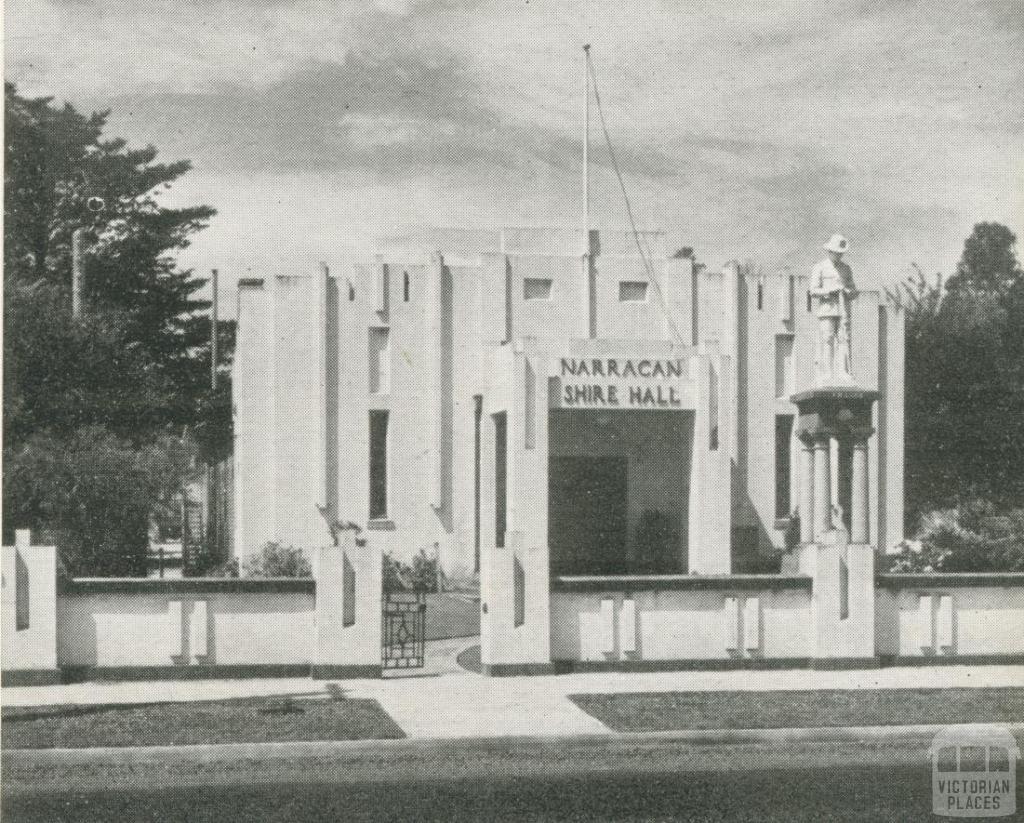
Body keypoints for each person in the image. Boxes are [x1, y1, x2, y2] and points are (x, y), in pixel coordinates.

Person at [810, 234, 857, 381]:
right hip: (827, 309)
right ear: (830, 251)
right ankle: (828, 372)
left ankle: (843, 371)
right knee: (828, 339)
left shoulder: (846, 269)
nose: (839, 255)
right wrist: (829, 291)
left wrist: (847, 291)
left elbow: (853, 290)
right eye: (836, 252)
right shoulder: (820, 267)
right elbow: (813, 290)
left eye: (841, 253)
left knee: (844, 339)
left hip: (843, 309)